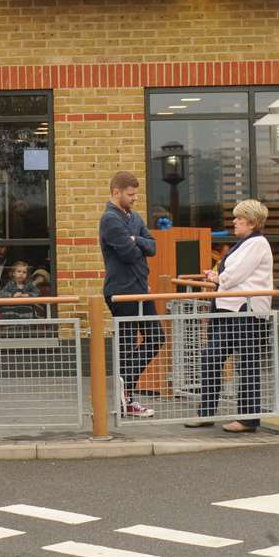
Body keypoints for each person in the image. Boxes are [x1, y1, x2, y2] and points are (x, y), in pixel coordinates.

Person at [190, 199, 274, 433]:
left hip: (246, 313)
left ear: (251, 222)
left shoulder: (257, 243)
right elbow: (228, 271)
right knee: (211, 356)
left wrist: (217, 278)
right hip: (230, 311)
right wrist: (215, 274)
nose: (234, 221)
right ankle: (206, 412)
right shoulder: (244, 243)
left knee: (246, 364)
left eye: (239, 218)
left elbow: (235, 274)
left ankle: (248, 419)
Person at [99, 171, 158, 418]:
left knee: (155, 338)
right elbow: (129, 254)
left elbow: (152, 246)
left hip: (140, 289)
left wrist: (136, 239)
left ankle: (125, 391)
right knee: (127, 344)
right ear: (117, 193)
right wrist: (137, 242)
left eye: (136, 194)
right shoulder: (110, 219)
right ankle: (127, 399)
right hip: (122, 290)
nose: (135, 198)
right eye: (131, 194)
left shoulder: (134, 217)